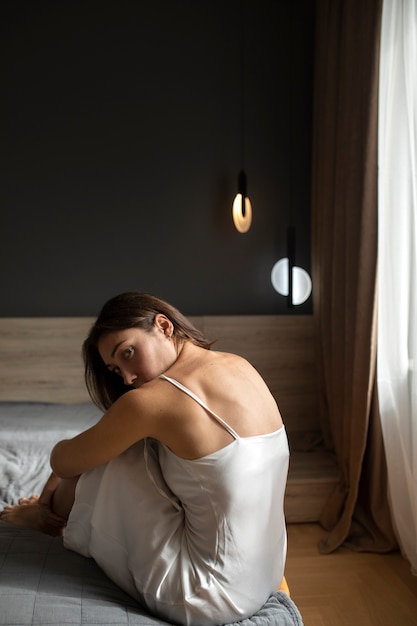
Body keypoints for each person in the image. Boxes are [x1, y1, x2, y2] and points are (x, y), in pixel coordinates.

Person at [0, 292, 290, 626]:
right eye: (115, 369)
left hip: (204, 594)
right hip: (266, 573)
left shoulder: (150, 401)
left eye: (128, 353)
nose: (126, 378)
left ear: (163, 326)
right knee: (115, 445)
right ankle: (48, 513)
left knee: (116, 453)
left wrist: (64, 467)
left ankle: (47, 517)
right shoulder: (239, 365)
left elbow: (63, 461)